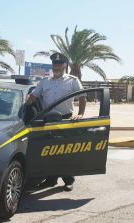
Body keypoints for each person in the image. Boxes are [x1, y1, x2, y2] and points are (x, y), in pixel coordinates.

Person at [26, 53, 87, 192]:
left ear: (65, 65)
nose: (57, 66)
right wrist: (26, 102)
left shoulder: (72, 80)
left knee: (65, 152)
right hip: (48, 121)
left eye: (60, 64)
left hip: (66, 119)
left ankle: (68, 180)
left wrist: (81, 114)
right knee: (48, 152)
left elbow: (83, 98)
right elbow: (33, 96)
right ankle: (51, 180)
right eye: (55, 64)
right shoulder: (45, 81)